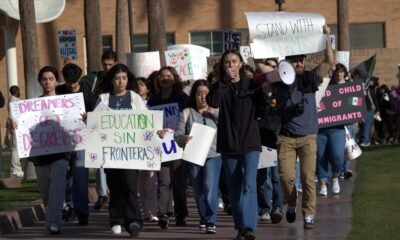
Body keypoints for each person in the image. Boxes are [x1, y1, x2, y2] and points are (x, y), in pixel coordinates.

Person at [276, 24, 335, 229]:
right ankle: (291, 202)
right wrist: (255, 50)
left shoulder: (310, 78)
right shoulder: (281, 81)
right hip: (286, 137)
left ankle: (308, 214)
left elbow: (329, 61)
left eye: (301, 60)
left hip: (309, 135)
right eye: (295, 60)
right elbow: (260, 68)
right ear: (288, 63)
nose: (299, 63)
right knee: (286, 177)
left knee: (308, 177)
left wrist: (327, 37)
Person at [207, 49, 268, 240]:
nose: (231, 65)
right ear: (223, 66)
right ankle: (241, 227)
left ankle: (249, 227)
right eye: (227, 62)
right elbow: (213, 102)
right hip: (229, 143)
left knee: (249, 185)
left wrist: (266, 94)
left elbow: (263, 108)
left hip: (250, 142)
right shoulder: (220, 86)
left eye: (234, 61)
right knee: (234, 187)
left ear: (241, 64)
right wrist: (224, 81)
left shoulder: (250, 84)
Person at [11, 66, 70, 234]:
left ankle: (54, 222)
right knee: (45, 190)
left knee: (57, 188)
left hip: (60, 154)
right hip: (40, 155)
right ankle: (51, 217)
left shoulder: (66, 103)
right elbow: (22, 125)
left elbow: (74, 123)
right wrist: (13, 124)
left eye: (51, 78)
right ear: (40, 82)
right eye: (44, 79)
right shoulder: (32, 106)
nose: (48, 82)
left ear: (57, 81)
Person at [95, 63, 146, 237]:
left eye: (124, 78)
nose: (121, 82)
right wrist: (89, 119)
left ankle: (134, 221)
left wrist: (157, 132)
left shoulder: (134, 98)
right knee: (115, 186)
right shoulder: (103, 99)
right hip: (110, 152)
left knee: (131, 185)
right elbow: (95, 124)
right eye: (117, 78)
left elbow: (145, 120)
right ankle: (115, 220)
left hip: (131, 152)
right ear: (111, 80)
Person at [174, 80, 221, 234]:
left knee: (209, 186)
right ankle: (204, 216)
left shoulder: (217, 111)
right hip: (193, 156)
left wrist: (214, 112)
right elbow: (177, 135)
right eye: (199, 93)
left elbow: (228, 127)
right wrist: (183, 139)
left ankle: (211, 220)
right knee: (199, 189)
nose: (203, 97)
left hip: (213, 155)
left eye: (206, 93)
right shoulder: (186, 113)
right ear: (194, 95)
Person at [147, 66, 189, 229]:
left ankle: (181, 214)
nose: (165, 78)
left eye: (168, 76)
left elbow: (188, 118)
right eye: (161, 76)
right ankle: (163, 213)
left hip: (178, 145)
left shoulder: (182, 98)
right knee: (163, 180)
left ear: (174, 78)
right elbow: (149, 122)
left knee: (179, 181)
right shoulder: (153, 100)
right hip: (161, 145)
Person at [56, 63, 94, 225]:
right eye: (69, 82)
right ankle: (69, 207)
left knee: (80, 175)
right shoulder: (58, 92)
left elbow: (97, 113)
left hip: (80, 141)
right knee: (65, 175)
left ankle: (82, 211)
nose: (72, 86)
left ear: (80, 78)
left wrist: (89, 117)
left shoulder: (87, 92)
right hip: (61, 141)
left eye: (75, 82)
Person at [81, 50, 118, 210]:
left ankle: (116, 191)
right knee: (99, 160)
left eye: (110, 64)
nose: (107, 67)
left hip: (117, 125)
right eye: (105, 65)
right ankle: (103, 193)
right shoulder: (95, 79)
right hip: (98, 122)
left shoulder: (121, 77)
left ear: (115, 63)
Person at [316, 63, 348, 197]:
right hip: (319, 128)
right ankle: (323, 183)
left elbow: (352, 102)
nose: (337, 73)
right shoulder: (318, 84)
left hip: (337, 127)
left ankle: (335, 176)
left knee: (338, 156)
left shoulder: (344, 87)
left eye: (340, 72)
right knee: (320, 156)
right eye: (335, 71)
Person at [7, 86, 24, 178]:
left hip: (17, 126)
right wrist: (13, 122)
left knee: (16, 147)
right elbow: (12, 114)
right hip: (15, 126)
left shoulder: (14, 100)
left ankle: (17, 168)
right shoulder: (13, 101)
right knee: (15, 148)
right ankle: (15, 169)